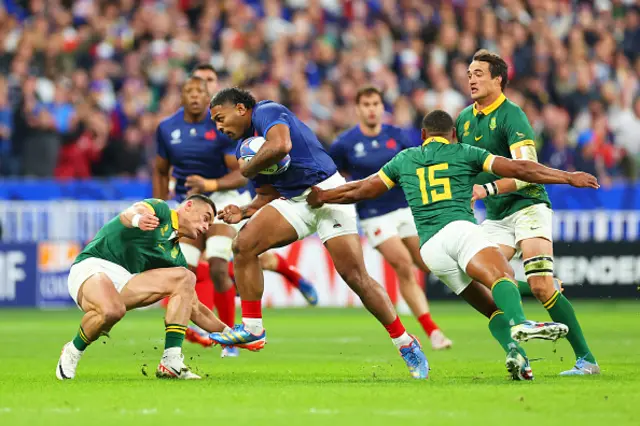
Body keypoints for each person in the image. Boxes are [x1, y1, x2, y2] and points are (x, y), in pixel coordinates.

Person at [307, 110, 599, 380]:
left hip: (431, 250)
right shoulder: (465, 152)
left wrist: (324, 197)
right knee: (502, 276)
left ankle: (517, 355)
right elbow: (520, 169)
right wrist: (567, 177)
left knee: (492, 308)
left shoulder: (404, 159)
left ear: (423, 135)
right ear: (453, 135)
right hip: (458, 229)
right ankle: (521, 322)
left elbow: (362, 188)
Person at [208, 87, 429, 380]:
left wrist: (248, 169)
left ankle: (405, 342)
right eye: (215, 123)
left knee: (355, 277)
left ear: (240, 109)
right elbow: (267, 193)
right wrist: (246, 211)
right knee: (243, 245)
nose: (219, 127)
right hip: (296, 202)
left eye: (220, 118)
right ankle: (252, 328)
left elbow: (282, 145)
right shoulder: (244, 149)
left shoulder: (267, 111)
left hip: (328, 194)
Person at [153, 67, 318, 357]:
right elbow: (160, 170)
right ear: (181, 95)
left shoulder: (223, 127)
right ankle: (184, 340)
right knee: (181, 272)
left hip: (223, 197)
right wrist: (159, 208)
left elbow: (241, 172)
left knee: (219, 265)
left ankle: (229, 336)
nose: (196, 95)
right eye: (190, 90)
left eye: (203, 89)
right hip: (188, 202)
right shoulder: (167, 128)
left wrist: (211, 183)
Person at [457, 50, 599, 375]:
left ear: (498, 79)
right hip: (495, 215)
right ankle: (518, 356)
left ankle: (586, 360)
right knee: (484, 280)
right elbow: (464, 167)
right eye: (469, 74)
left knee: (539, 287)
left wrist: (486, 189)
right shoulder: (464, 119)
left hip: (528, 206)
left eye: (479, 73)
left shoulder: (513, 116)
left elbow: (525, 173)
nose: (472, 79)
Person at [330, 86, 452, 350]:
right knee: (403, 265)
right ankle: (433, 331)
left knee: (428, 262)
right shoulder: (344, 143)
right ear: (358, 109)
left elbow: (421, 162)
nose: (371, 108)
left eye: (375, 103)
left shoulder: (397, 136)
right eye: (366, 104)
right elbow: (335, 178)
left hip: (405, 208)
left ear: (381, 107)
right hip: (374, 215)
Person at [56, 195, 227, 380]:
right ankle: (72, 350)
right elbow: (129, 214)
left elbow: (195, 308)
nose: (206, 227)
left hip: (126, 280)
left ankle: (171, 361)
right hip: (93, 266)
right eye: (205, 218)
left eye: (209, 225)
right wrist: (138, 219)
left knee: (185, 277)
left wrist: (230, 335)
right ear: (189, 206)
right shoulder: (160, 211)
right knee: (112, 311)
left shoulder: (175, 256)